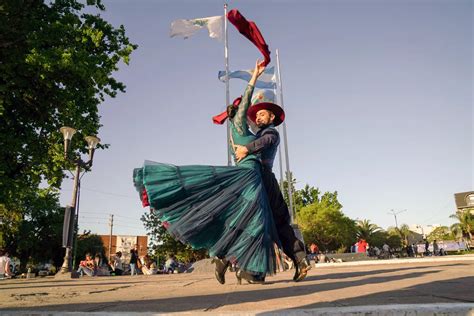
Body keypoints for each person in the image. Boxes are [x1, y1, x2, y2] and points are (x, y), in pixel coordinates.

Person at [133, 59, 281, 285]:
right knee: (255, 223)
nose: (253, 117)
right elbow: (247, 102)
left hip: (247, 178)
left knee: (243, 222)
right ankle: (245, 268)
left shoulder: (243, 131)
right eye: (245, 112)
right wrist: (254, 78)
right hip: (248, 178)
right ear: (237, 114)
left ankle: (230, 262)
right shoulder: (239, 125)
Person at [233, 83, 311, 282]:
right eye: (256, 115)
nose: (258, 118)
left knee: (265, 223)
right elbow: (243, 121)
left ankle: (252, 269)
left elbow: (265, 142)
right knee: (270, 225)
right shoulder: (259, 132)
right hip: (261, 180)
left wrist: (246, 149)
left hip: (265, 182)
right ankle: (296, 260)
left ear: (272, 117)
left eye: (262, 114)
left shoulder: (271, 133)